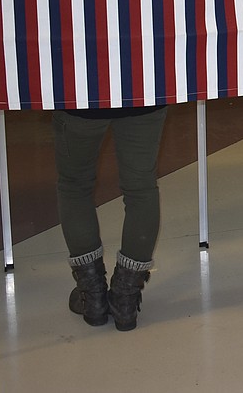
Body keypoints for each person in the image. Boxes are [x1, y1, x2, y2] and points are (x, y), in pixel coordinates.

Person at [56, 104, 169, 331]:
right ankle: (125, 299)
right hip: (141, 89)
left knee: (75, 185)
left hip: (78, 90)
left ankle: (93, 296)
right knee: (141, 188)